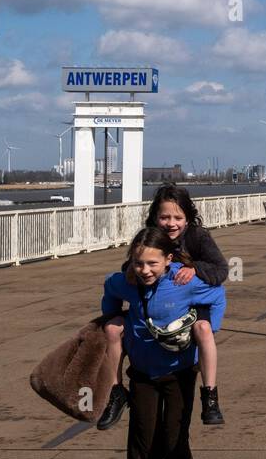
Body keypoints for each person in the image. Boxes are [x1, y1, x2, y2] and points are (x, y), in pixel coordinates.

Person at [102, 225, 226, 459]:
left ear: (168, 260)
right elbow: (109, 289)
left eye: (152, 264)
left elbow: (218, 295)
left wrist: (205, 328)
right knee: (143, 440)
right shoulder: (126, 281)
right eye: (138, 263)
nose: (145, 270)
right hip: (142, 374)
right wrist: (112, 320)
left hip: (179, 374)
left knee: (174, 441)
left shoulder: (184, 283)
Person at [98, 184, 229, 430]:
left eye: (178, 218)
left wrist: (196, 269)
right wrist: (112, 312)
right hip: (153, 300)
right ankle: (116, 391)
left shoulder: (198, 237)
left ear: (188, 218)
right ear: (154, 218)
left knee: (202, 329)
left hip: (192, 299)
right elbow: (135, 263)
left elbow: (221, 270)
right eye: (164, 217)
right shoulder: (150, 237)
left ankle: (210, 394)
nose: (171, 223)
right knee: (113, 330)